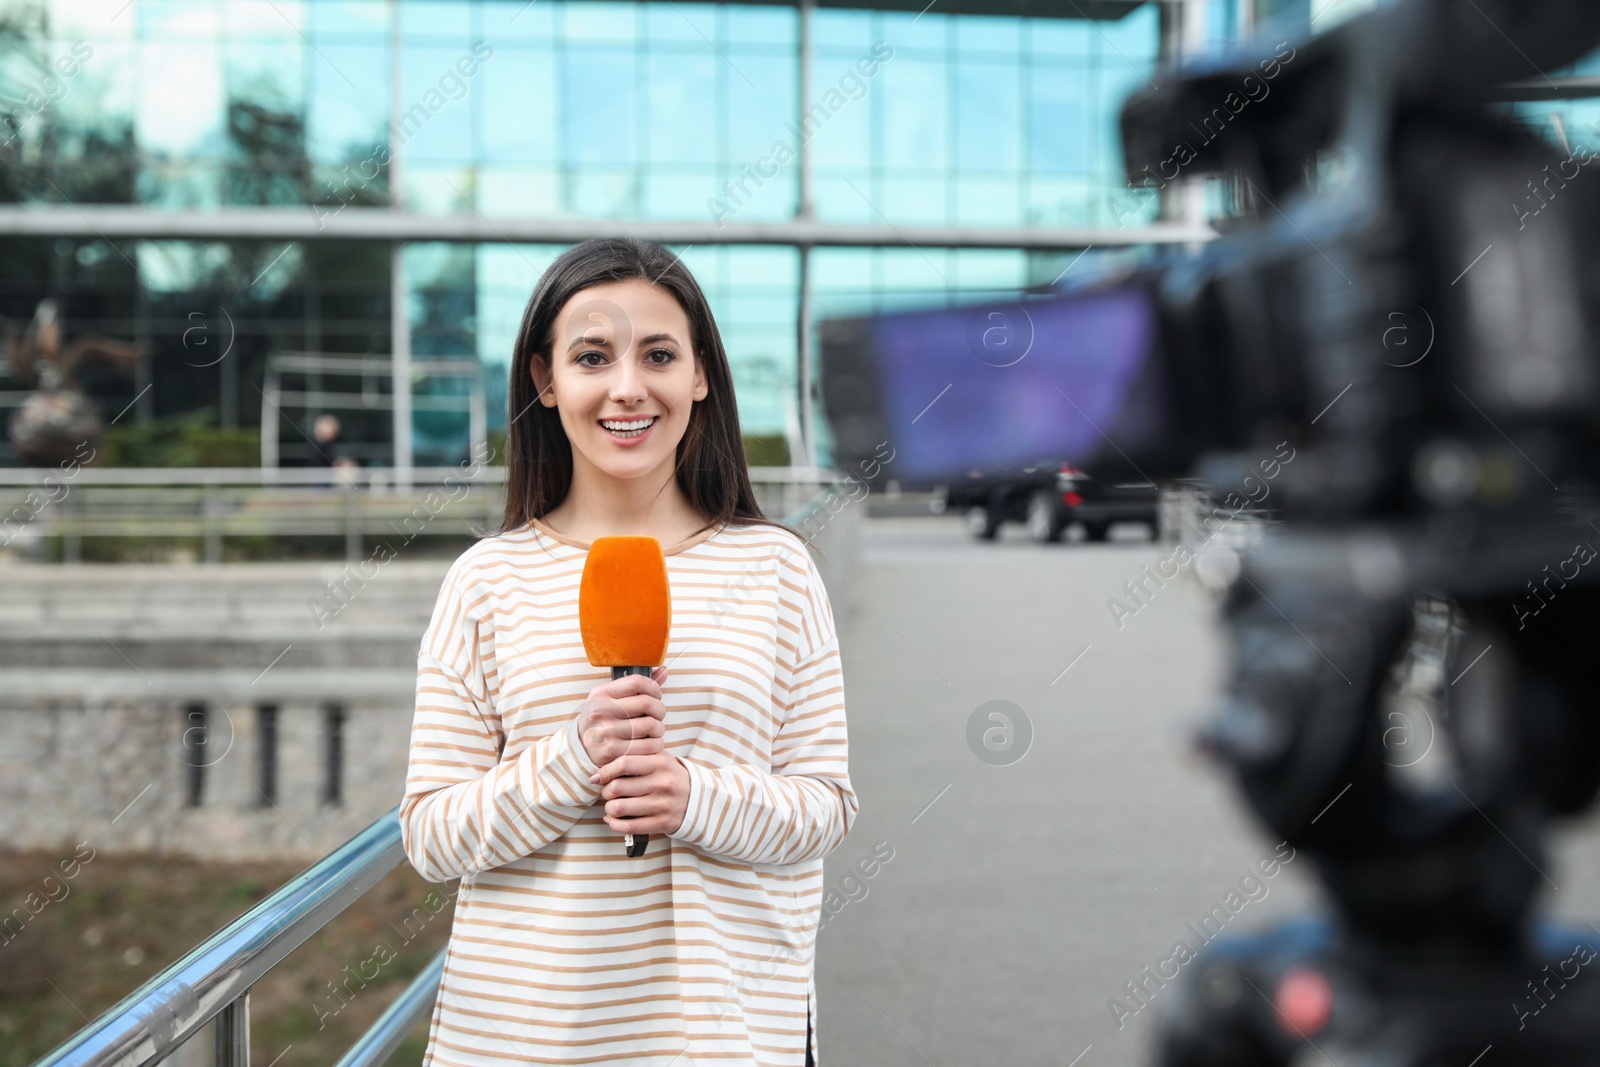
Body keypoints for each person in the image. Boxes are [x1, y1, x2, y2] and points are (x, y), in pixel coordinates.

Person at [400, 237, 857, 1067]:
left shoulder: (778, 568)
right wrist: (574, 757)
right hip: (524, 1039)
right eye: (591, 356)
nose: (626, 387)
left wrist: (692, 796)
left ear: (700, 375)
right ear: (546, 380)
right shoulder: (485, 582)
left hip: (726, 1036)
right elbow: (432, 836)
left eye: (658, 354)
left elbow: (825, 804)